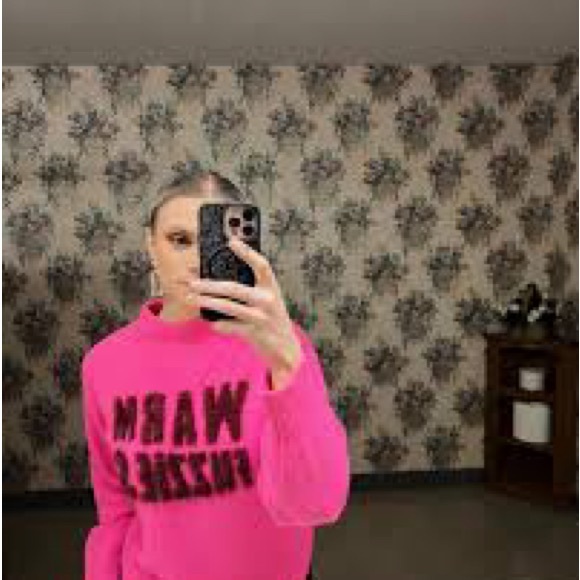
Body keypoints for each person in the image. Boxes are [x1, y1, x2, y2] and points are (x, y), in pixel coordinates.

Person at [81, 170, 350, 580]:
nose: (195, 260)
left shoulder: (280, 345)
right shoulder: (104, 363)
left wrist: (285, 365)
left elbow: (315, 504)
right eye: (179, 239)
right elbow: (115, 507)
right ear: (150, 245)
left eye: (213, 242)